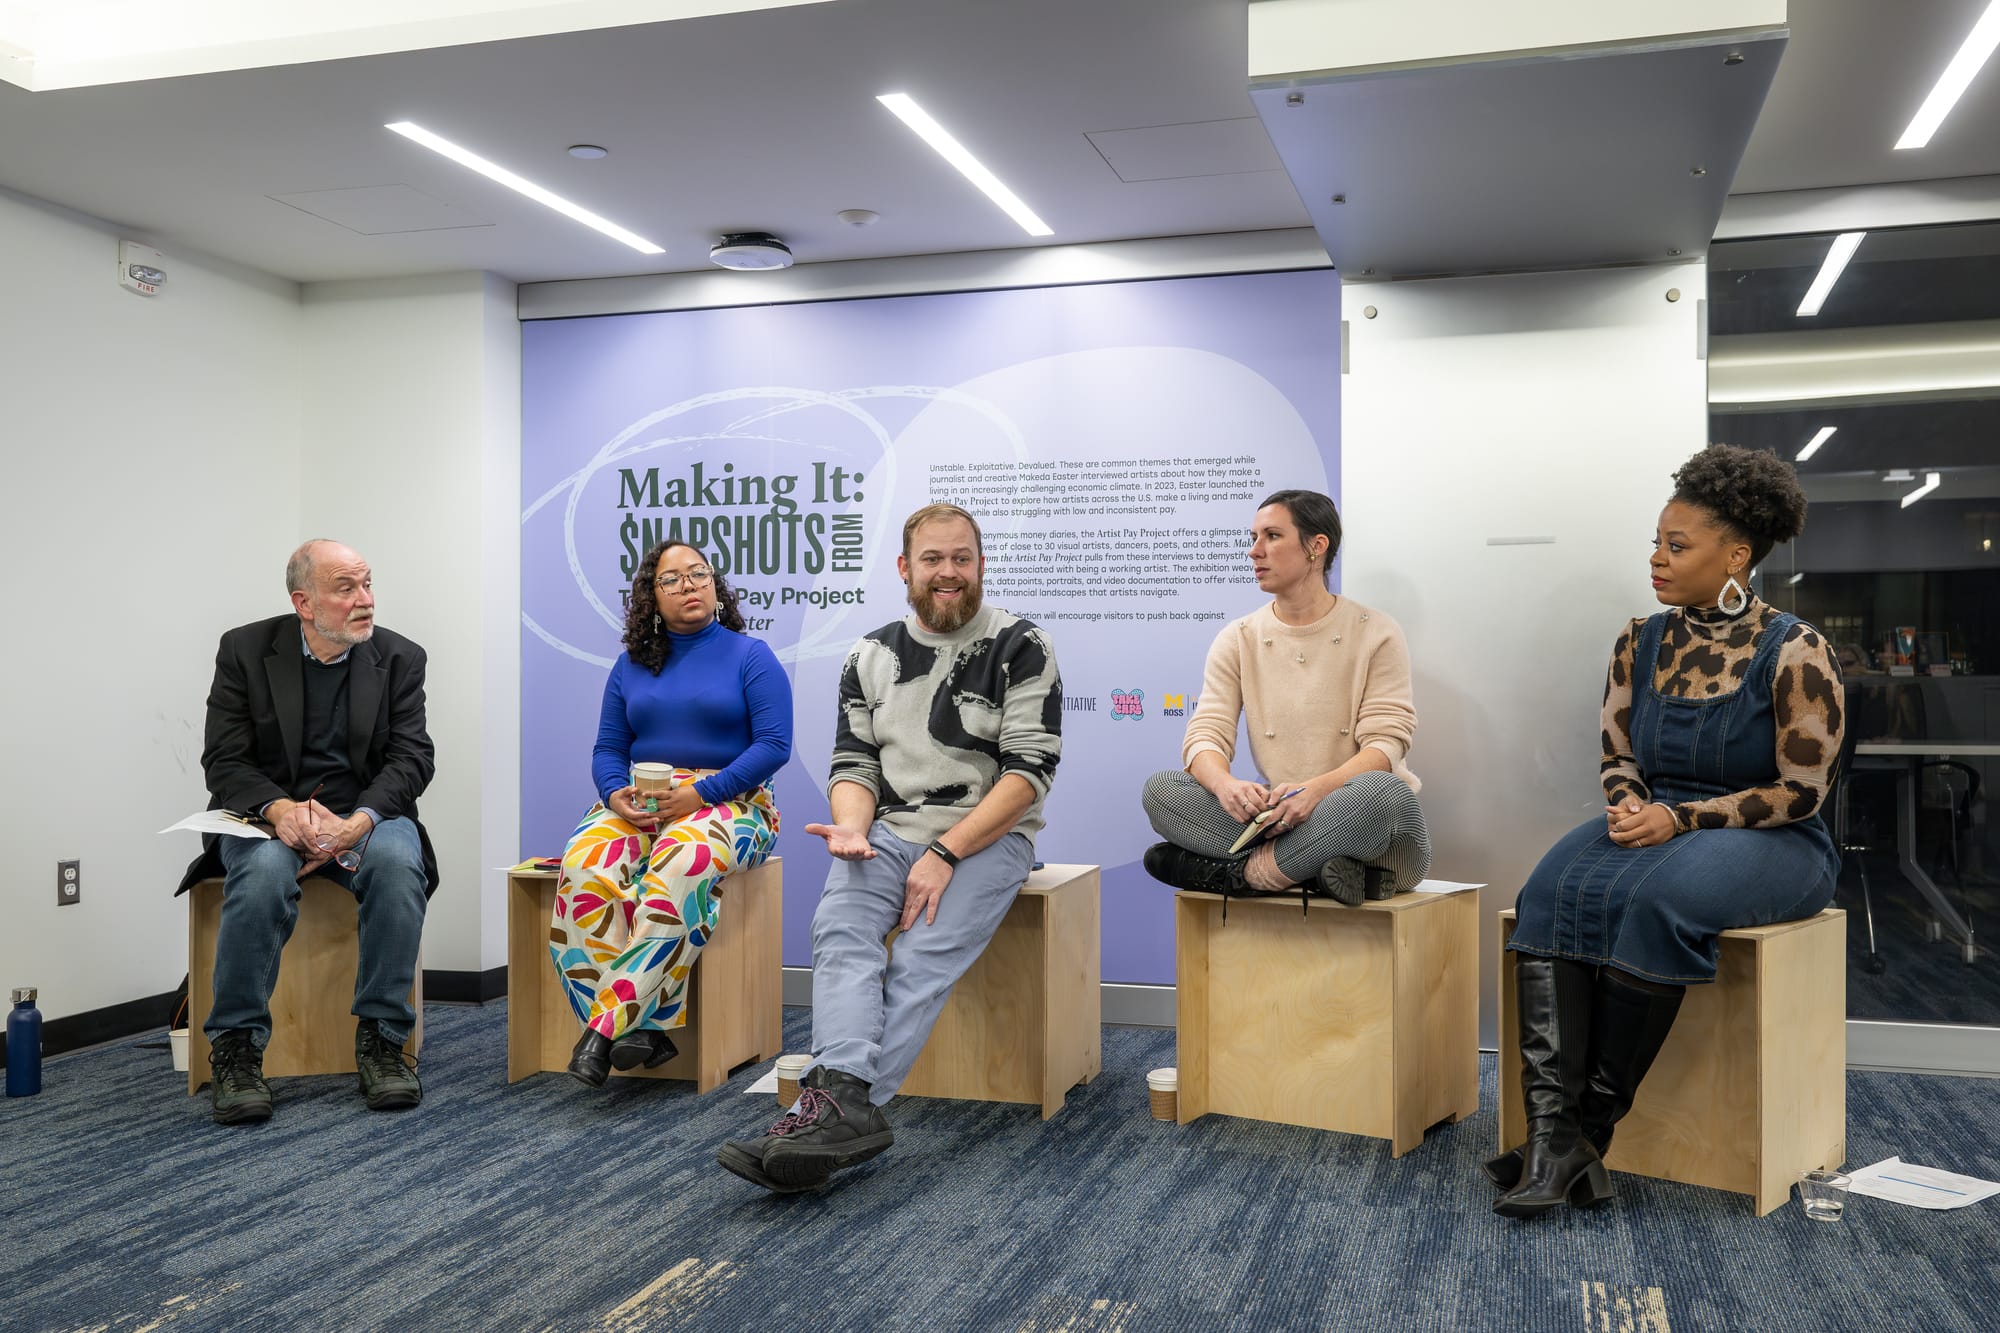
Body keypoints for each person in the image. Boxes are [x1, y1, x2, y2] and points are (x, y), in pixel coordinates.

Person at [1489, 443, 1842, 1219]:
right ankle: (1554, 1139)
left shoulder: (1796, 648)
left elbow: (1804, 790)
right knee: (1546, 890)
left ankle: (1586, 1132)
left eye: (1676, 545)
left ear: (1736, 555)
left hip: (1779, 840)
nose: (1657, 558)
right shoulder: (1638, 640)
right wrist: (1625, 804)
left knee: (1660, 902)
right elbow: (1617, 752)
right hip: (1660, 825)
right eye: (1656, 540)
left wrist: (1677, 816)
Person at [716, 503, 1062, 1193]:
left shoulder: (1022, 645)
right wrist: (850, 824)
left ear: (981, 564)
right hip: (887, 833)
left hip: (986, 836)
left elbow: (1027, 776)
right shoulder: (869, 655)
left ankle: (827, 1107)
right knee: (840, 929)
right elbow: (856, 767)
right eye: (933, 559)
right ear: (905, 568)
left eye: (962, 557)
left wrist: (947, 853)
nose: (949, 572)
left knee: (923, 954)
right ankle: (842, 1107)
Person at [175, 540, 436, 1124]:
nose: (365, 600)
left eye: (368, 585)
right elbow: (224, 760)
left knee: (398, 865)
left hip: (366, 815)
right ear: (304, 601)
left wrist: (360, 821)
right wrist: (280, 810)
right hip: (268, 818)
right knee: (265, 873)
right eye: (346, 588)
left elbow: (412, 758)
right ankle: (236, 1050)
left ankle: (384, 1043)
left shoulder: (400, 658)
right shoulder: (245, 651)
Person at [551, 540, 790, 1086]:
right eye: (673, 579)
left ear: (716, 586)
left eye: (699, 574)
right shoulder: (630, 664)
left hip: (735, 800)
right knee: (585, 864)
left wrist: (701, 796)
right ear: (650, 598)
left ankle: (603, 1029)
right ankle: (649, 1025)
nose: (689, 585)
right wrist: (615, 795)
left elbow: (774, 745)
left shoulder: (751, 656)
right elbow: (608, 747)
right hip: (643, 798)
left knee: (680, 863)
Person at [1140, 489, 1431, 906]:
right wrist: (1226, 787)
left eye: (1272, 536)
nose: (1254, 551)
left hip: (1365, 826)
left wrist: (1314, 792)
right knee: (1162, 790)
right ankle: (1311, 875)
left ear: (1317, 546)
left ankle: (1249, 876)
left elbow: (1387, 744)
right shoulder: (1238, 637)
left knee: (1382, 793)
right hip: (1279, 820)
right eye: (1253, 537)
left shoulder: (1376, 632)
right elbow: (1206, 733)